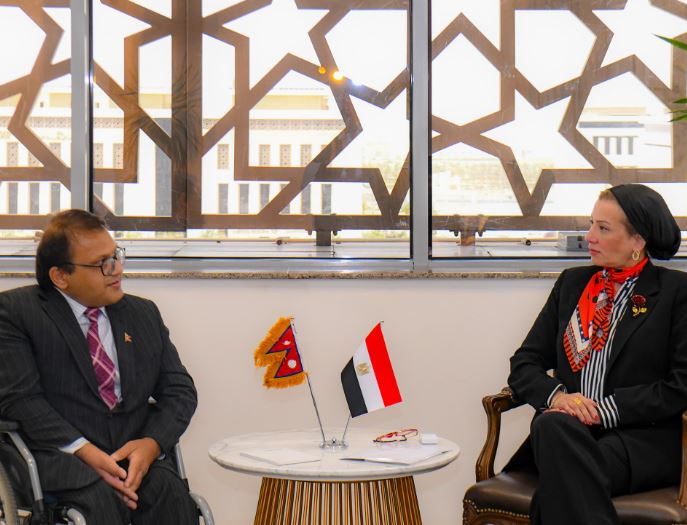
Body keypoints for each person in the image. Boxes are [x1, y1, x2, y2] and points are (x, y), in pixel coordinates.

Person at [0, 209, 199, 525]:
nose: (116, 269)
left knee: (169, 493)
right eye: (102, 263)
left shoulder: (143, 313)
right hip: (63, 457)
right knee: (98, 500)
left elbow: (180, 390)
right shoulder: (17, 313)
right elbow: (21, 400)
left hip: (131, 455)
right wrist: (84, 451)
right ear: (60, 276)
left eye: (116, 256)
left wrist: (151, 444)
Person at [507, 184, 687, 525]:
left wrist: (601, 412)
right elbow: (524, 364)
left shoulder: (675, 292)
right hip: (566, 433)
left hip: (640, 440)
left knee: (560, 475)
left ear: (638, 240)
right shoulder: (572, 284)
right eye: (591, 224)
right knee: (553, 424)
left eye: (603, 228)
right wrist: (560, 398)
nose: (589, 236)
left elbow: (680, 386)